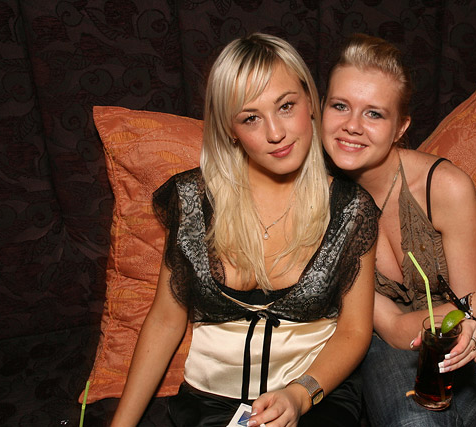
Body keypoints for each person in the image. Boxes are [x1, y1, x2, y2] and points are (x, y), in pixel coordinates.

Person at [111, 33, 378, 427]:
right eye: (251, 117)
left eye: (286, 106)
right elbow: (166, 320)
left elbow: (355, 330)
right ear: (230, 129)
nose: (275, 132)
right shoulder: (192, 200)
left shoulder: (351, 209)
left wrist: (299, 395)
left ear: (311, 102)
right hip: (208, 405)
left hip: (314, 397)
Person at [321, 33, 476, 427]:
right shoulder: (319, 205)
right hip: (389, 343)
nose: (352, 126)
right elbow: (394, 328)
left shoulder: (445, 188)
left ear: (400, 127)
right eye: (340, 106)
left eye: (374, 114)